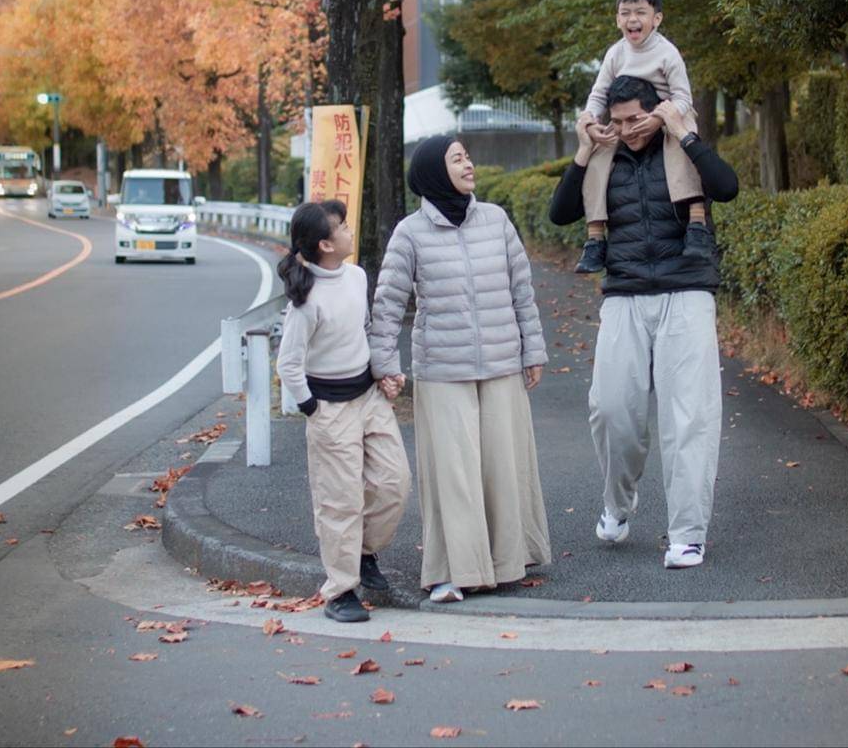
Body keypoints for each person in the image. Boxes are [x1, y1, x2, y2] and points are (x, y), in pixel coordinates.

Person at [549, 75, 738, 568]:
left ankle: (687, 534)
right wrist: (586, 150)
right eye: (618, 121)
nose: (629, 129)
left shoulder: (681, 147)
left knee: (690, 417)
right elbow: (560, 212)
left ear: (657, 111)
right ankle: (618, 503)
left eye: (637, 119)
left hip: (688, 287)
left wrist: (688, 135)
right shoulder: (605, 153)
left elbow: (728, 187)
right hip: (625, 291)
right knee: (610, 409)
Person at [370, 135, 551, 603]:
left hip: (501, 362)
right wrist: (385, 365)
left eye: (468, 156)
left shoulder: (495, 220)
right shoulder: (410, 233)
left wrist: (533, 350)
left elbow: (522, 291)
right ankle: (453, 571)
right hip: (442, 369)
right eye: (458, 158)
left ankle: (508, 561)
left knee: (502, 466)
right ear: (434, 171)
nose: (469, 164)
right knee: (454, 474)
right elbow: (388, 303)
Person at [276, 200, 411, 623]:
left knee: (394, 481)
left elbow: (364, 330)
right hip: (329, 408)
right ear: (324, 244)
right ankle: (340, 590)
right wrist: (311, 408)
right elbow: (288, 364)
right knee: (340, 502)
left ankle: (364, 552)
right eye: (343, 227)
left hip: (368, 396)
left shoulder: (355, 276)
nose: (351, 231)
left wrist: (384, 373)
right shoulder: (305, 301)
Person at [575, 0, 711, 274]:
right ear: (617, 20)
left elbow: (683, 97)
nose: (632, 19)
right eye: (625, 13)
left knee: (684, 139)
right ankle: (595, 237)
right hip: (627, 119)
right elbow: (599, 94)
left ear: (656, 19)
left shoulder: (667, 53)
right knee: (598, 149)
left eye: (640, 12)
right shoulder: (615, 54)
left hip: (667, 113)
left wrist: (663, 120)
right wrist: (589, 120)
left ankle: (697, 222)